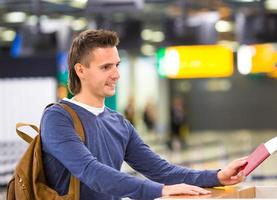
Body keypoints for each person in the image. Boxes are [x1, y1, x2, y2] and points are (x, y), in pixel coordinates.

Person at [41, 29, 247, 200]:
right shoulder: (58, 118)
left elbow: (161, 170)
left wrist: (217, 176)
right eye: (106, 67)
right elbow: (91, 171)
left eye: (116, 65)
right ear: (81, 70)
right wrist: (159, 190)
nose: (116, 74)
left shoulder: (118, 123)